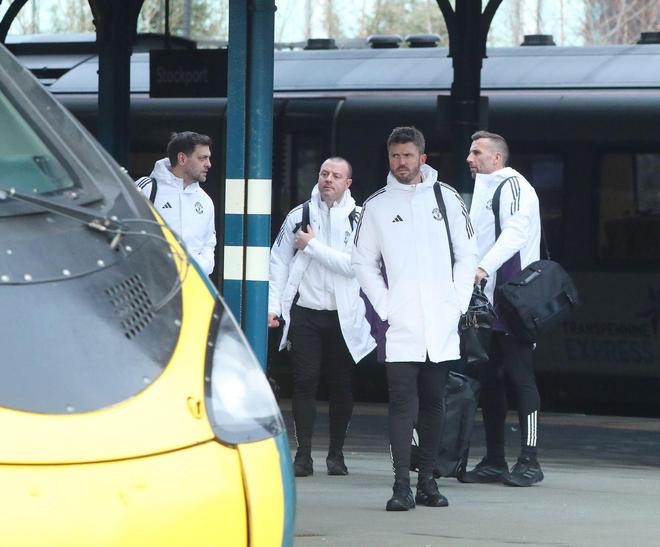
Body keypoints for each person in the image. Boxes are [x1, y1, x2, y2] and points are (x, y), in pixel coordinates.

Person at [352, 127, 478, 511]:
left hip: (441, 320)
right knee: (402, 405)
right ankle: (400, 485)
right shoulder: (376, 205)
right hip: (401, 323)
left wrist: (457, 302)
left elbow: (467, 253)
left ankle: (427, 482)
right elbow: (362, 262)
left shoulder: (447, 197)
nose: (400, 162)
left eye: (407, 155)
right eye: (395, 156)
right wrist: (385, 306)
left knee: (434, 403)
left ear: (422, 158)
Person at [268, 157, 375, 478]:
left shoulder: (360, 218)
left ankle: (336, 454)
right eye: (324, 174)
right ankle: (303, 455)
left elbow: (354, 266)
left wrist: (312, 246)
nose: (328, 179)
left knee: (341, 385)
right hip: (305, 313)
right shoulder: (298, 215)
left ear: (348, 183)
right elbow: (278, 262)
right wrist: (273, 308)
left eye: (336, 175)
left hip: (344, 316)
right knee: (304, 383)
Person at [462, 130, 544, 487]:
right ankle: (495, 459)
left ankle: (530, 460)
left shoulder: (513, 185)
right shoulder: (485, 190)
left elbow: (516, 232)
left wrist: (482, 268)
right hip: (490, 302)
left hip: (513, 301)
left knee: (520, 377)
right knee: (490, 380)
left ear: (497, 158)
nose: (470, 158)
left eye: (477, 152)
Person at [135, 131, 216, 276]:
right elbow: (122, 230)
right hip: (150, 283)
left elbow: (208, 244)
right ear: (182, 159)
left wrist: (199, 269)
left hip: (191, 284)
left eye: (208, 158)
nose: (208, 164)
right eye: (202, 158)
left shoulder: (205, 200)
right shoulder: (147, 188)